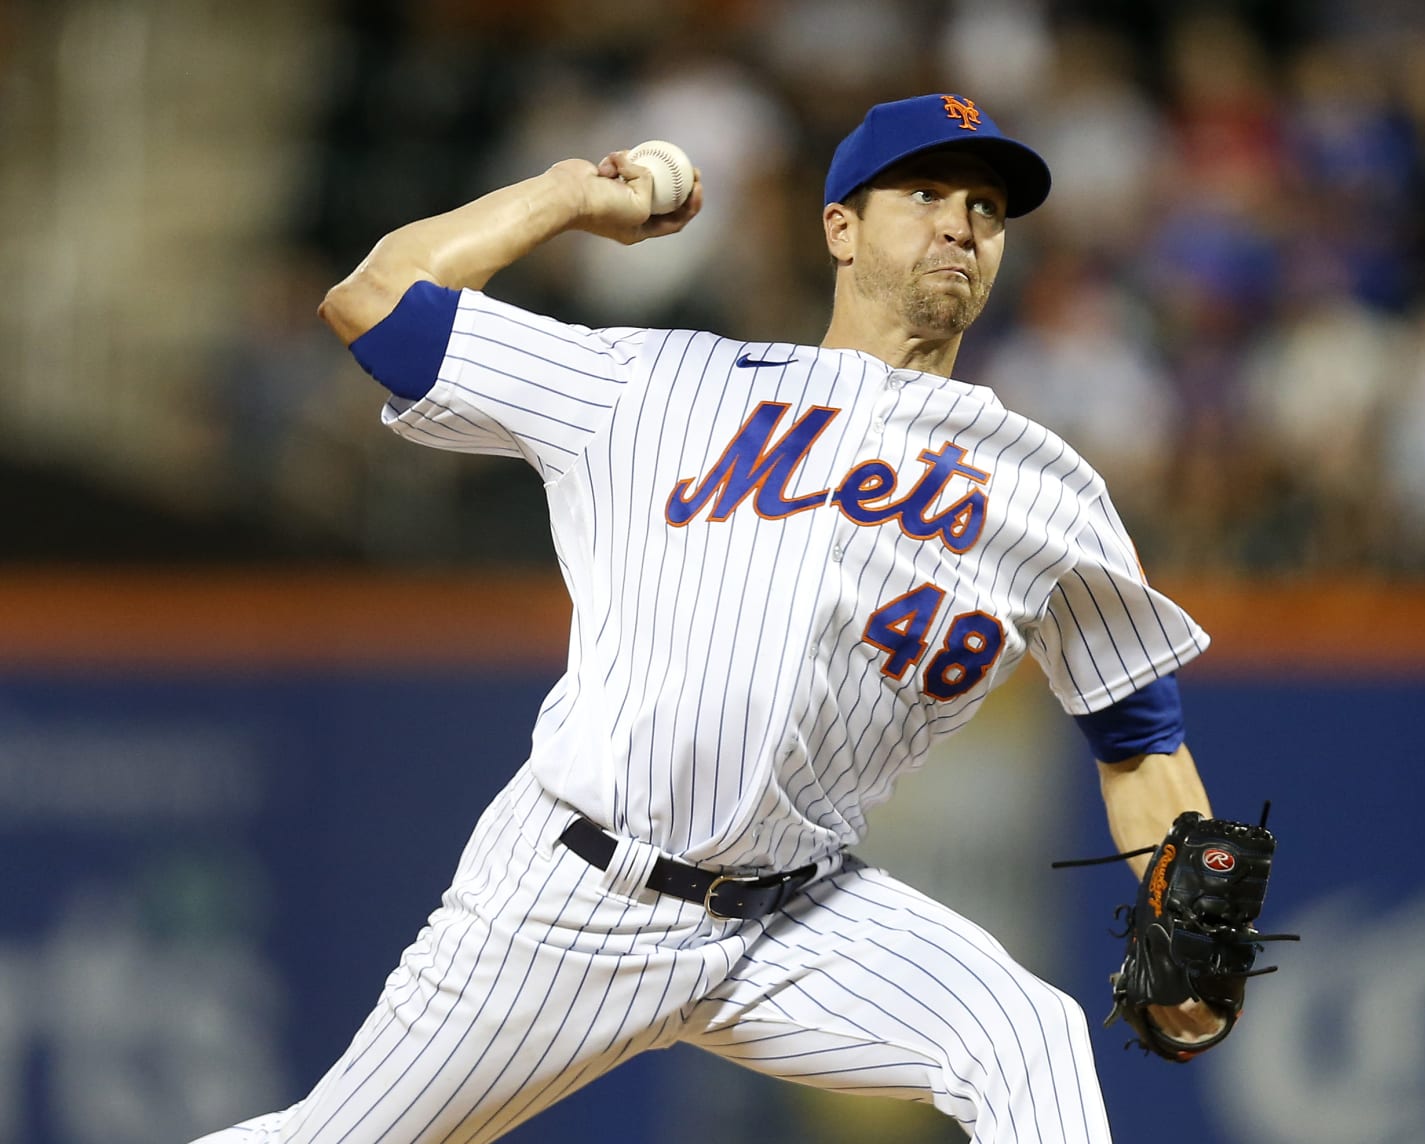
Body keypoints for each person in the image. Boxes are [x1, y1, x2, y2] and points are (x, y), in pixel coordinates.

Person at [199, 93, 1225, 1144]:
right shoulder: (658, 381)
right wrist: (562, 197)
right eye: (923, 193)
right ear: (840, 226)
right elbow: (375, 300)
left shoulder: (1046, 493)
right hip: (574, 897)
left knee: (1026, 1036)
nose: (961, 223)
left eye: (988, 207)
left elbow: (1141, 740)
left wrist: (1186, 913)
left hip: (797, 917)